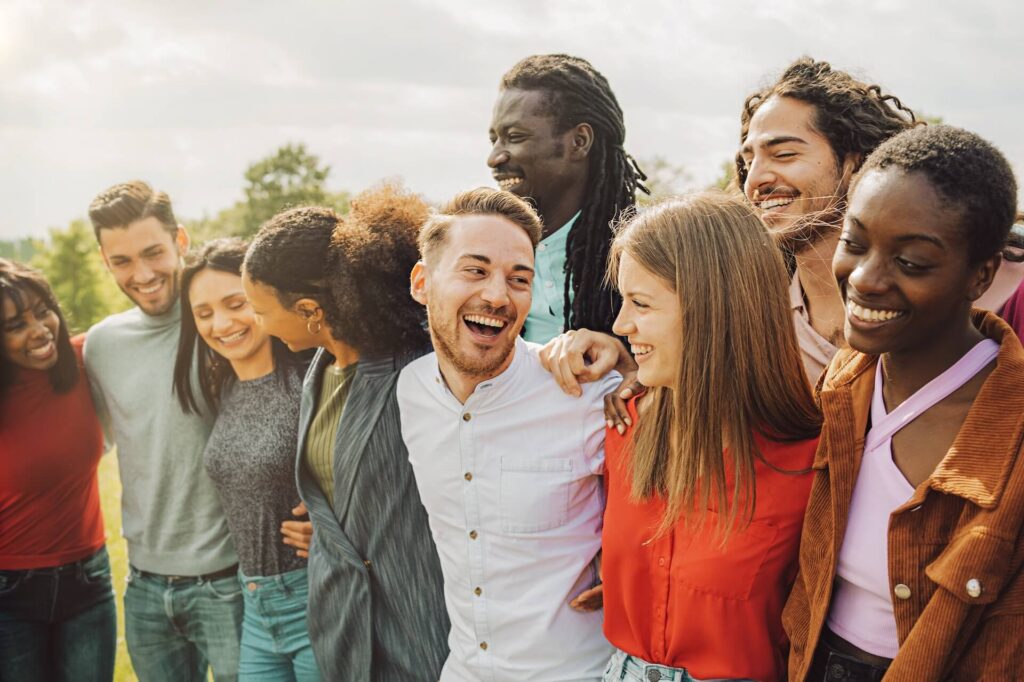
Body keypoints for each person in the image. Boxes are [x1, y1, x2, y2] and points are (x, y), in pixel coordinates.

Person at [783, 125, 1024, 680]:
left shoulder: (1011, 432)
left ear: (981, 275)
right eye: (854, 243)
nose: (866, 279)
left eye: (911, 262)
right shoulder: (845, 380)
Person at [596, 193, 821, 682]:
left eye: (641, 304)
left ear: (712, 310)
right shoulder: (621, 425)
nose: (619, 324)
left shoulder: (809, 464)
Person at [398, 187, 620, 681]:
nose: (498, 296)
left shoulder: (586, 393)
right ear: (422, 283)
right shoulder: (409, 390)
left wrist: (630, 560)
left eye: (519, 279)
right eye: (475, 271)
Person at [241, 183, 449, 681]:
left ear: (310, 310)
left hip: (418, 634)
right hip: (345, 634)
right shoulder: (320, 371)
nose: (259, 325)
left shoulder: (419, 370)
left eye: (261, 310)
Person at [84, 181, 242, 681]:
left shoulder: (224, 327)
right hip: (145, 589)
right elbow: (88, 445)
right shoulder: (102, 346)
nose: (143, 274)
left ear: (181, 240)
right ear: (106, 261)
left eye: (153, 253)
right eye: (123, 261)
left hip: (232, 582)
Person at [172, 238, 318, 681]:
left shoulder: (311, 383)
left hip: (314, 597)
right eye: (203, 313)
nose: (221, 323)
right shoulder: (223, 388)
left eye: (236, 304)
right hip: (254, 607)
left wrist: (334, 531)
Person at [737, 57, 920, 381]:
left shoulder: (951, 302)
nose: (755, 180)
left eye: (783, 155)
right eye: (749, 162)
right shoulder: (751, 323)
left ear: (856, 163)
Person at [0, 259, 115, 681]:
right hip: (8, 594)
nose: (39, 330)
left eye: (42, 311)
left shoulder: (86, 359)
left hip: (88, 580)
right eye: (15, 325)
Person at [489, 54, 647, 343]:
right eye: (494, 140)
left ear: (579, 142)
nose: (494, 158)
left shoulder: (650, 253)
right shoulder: (482, 254)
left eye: (515, 136)